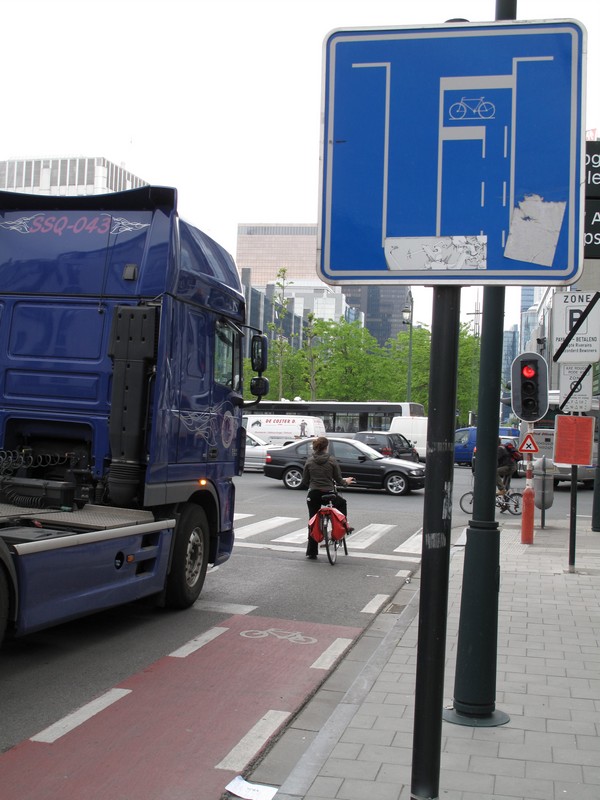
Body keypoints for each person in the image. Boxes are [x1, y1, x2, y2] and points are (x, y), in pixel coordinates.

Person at [302, 436, 355, 559]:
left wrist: (313, 484)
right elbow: (339, 480)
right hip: (329, 493)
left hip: (314, 494)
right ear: (326, 447)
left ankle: (311, 552)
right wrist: (346, 481)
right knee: (342, 503)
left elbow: (305, 481)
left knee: (313, 521)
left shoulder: (309, 461)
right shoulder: (331, 460)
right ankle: (343, 527)